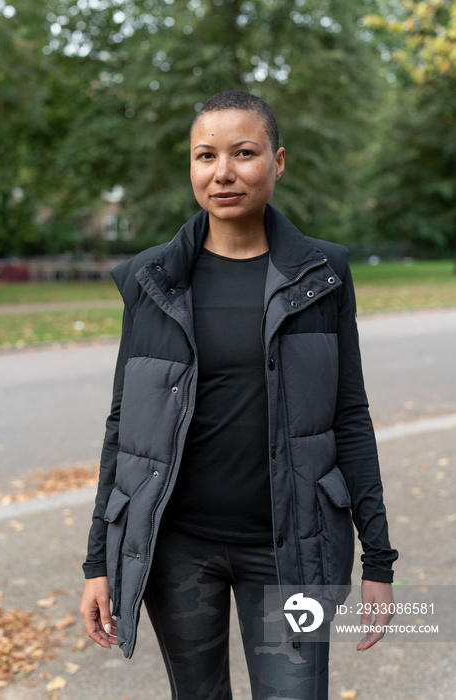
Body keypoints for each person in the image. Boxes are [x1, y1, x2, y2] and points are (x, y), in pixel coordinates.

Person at [80, 90, 398, 700]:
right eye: (206, 155)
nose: (222, 172)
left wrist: (378, 561)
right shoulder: (153, 280)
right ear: (192, 167)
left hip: (290, 549)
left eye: (243, 153)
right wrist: (98, 562)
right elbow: (126, 427)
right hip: (178, 548)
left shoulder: (321, 277)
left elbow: (349, 416)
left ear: (278, 162)